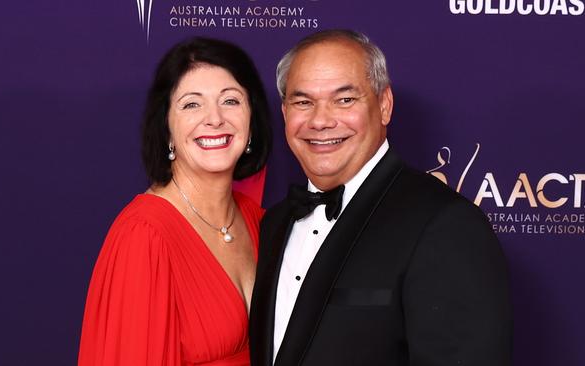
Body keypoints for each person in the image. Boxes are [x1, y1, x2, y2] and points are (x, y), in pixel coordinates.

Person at [249, 30, 512, 366]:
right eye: (303, 102)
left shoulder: (445, 225)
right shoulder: (275, 221)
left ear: (384, 106)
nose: (321, 120)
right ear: (285, 113)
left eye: (345, 100)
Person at [79, 37, 272, 366]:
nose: (214, 119)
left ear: (251, 119)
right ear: (167, 128)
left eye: (231, 101)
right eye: (192, 104)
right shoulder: (144, 237)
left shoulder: (260, 220)